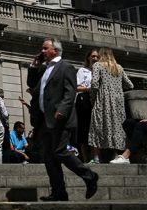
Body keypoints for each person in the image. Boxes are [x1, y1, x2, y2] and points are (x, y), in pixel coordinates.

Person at [28, 38, 98, 201]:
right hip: (44, 120)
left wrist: (62, 109)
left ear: (56, 50)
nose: (42, 51)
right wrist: (34, 66)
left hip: (60, 118)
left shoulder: (65, 67)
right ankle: (59, 192)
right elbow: (32, 84)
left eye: (45, 48)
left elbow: (70, 91)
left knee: (60, 151)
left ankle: (89, 176)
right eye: (42, 49)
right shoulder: (45, 68)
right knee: (49, 156)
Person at [88, 47, 133, 163]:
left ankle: (96, 157)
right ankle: (114, 155)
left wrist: (93, 99)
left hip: (102, 99)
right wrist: (117, 87)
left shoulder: (98, 65)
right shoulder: (119, 68)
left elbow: (94, 84)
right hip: (118, 101)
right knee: (115, 126)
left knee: (97, 126)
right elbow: (130, 85)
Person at [75, 49, 96, 162]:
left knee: (95, 130)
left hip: (97, 101)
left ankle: (95, 157)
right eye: (93, 56)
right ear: (88, 57)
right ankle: (85, 158)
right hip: (84, 100)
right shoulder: (82, 71)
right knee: (84, 130)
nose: (95, 59)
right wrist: (89, 88)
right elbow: (76, 87)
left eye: (97, 57)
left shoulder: (102, 72)